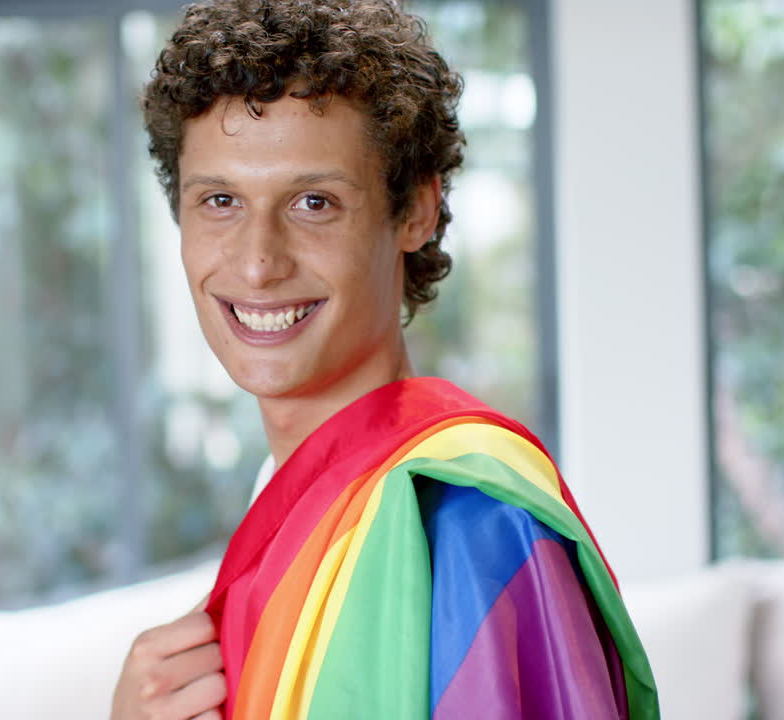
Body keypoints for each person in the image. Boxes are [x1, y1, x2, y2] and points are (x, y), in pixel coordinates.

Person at [112, 1, 658, 718]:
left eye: (313, 202)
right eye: (220, 200)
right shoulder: (283, 501)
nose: (256, 265)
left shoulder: (472, 520)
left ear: (415, 213)